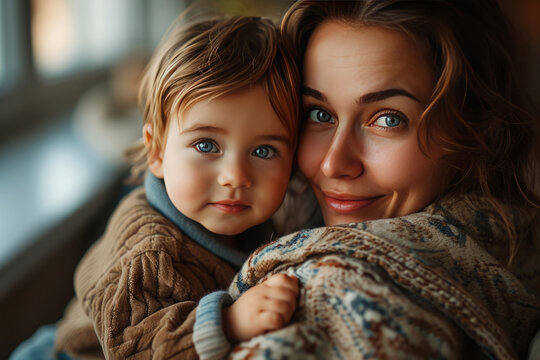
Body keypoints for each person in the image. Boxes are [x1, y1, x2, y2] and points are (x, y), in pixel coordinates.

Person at [192, 1, 540, 359]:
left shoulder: (330, 291)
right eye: (318, 113)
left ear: (475, 128)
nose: (333, 164)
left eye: (388, 119)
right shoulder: (515, 249)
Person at [11, 15, 302, 360]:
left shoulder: (262, 220)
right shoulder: (147, 251)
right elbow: (133, 344)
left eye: (263, 151)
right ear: (157, 151)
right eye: (207, 145)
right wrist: (227, 322)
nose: (235, 177)